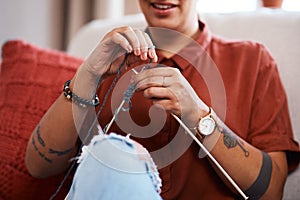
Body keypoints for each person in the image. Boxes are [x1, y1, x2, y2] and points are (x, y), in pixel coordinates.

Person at [25, 0, 300, 199]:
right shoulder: (109, 59)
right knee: (112, 156)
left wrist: (198, 115)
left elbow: (272, 191)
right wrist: (85, 76)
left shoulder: (251, 61)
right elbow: (39, 167)